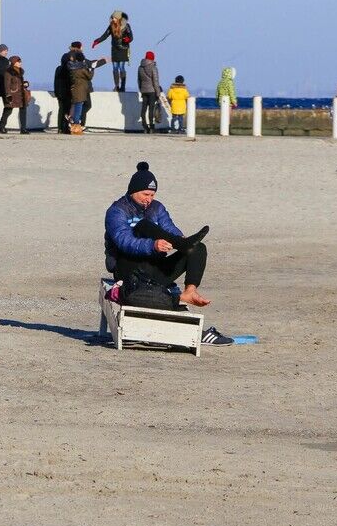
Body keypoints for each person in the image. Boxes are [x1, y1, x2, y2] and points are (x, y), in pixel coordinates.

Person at [103, 162, 232, 345]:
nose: (149, 199)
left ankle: (190, 291)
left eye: (152, 195)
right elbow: (124, 242)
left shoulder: (157, 208)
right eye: (145, 194)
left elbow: (170, 230)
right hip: (128, 271)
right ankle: (183, 245)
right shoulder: (117, 210)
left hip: (154, 270)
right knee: (143, 225)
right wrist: (153, 246)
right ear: (133, 190)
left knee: (197, 249)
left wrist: (180, 239)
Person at [92, 11, 133, 92]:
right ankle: (117, 86)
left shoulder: (126, 26)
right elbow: (105, 35)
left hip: (123, 49)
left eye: (114, 18)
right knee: (115, 68)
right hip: (115, 50)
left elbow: (131, 37)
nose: (112, 19)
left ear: (118, 18)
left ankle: (123, 86)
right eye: (112, 17)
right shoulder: (111, 26)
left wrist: (127, 39)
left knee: (121, 67)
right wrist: (97, 41)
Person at [68, 51, 107, 134]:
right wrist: (92, 69)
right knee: (79, 108)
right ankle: (76, 125)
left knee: (76, 106)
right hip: (81, 90)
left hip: (75, 89)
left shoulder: (72, 67)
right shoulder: (81, 69)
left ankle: (73, 122)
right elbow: (89, 76)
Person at [53, 41, 81, 133]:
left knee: (61, 110)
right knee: (68, 110)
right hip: (67, 92)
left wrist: (56, 92)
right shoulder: (69, 70)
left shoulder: (58, 69)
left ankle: (60, 128)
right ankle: (65, 128)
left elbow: (56, 82)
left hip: (60, 93)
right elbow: (71, 81)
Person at [0, 55, 31, 134]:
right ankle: (1, 127)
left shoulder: (20, 71)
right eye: (18, 62)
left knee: (23, 110)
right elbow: (6, 84)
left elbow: (19, 82)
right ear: (14, 62)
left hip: (21, 94)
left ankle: (23, 129)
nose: (20, 63)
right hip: (12, 94)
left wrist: (25, 83)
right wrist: (8, 95)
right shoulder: (8, 72)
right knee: (8, 110)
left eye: (20, 62)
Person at [137, 51, 162, 133]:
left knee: (143, 109)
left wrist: (141, 89)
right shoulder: (153, 68)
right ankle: (151, 127)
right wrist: (158, 93)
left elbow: (139, 80)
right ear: (152, 58)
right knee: (151, 109)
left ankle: (145, 127)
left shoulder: (140, 67)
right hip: (152, 91)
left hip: (144, 90)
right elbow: (155, 81)